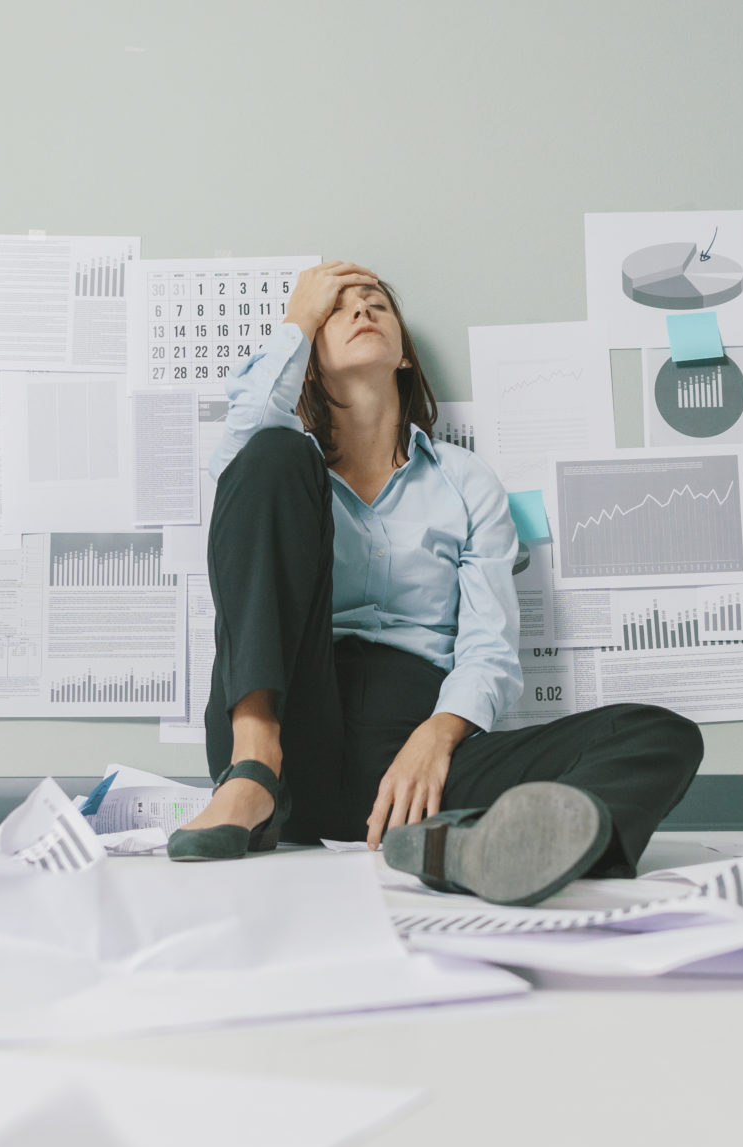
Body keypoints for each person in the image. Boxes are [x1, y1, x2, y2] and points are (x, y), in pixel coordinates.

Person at [167, 261, 706, 906]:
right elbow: (242, 461)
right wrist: (294, 322)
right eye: (338, 310)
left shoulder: (466, 479)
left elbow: (488, 646)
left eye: (376, 305)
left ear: (401, 355)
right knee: (270, 453)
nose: (362, 311)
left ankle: (478, 844)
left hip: (413, 758)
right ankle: (251, 772)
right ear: (310, 355)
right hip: (288, 735)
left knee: (659, 733)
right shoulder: (285, 464)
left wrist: (438, 734)